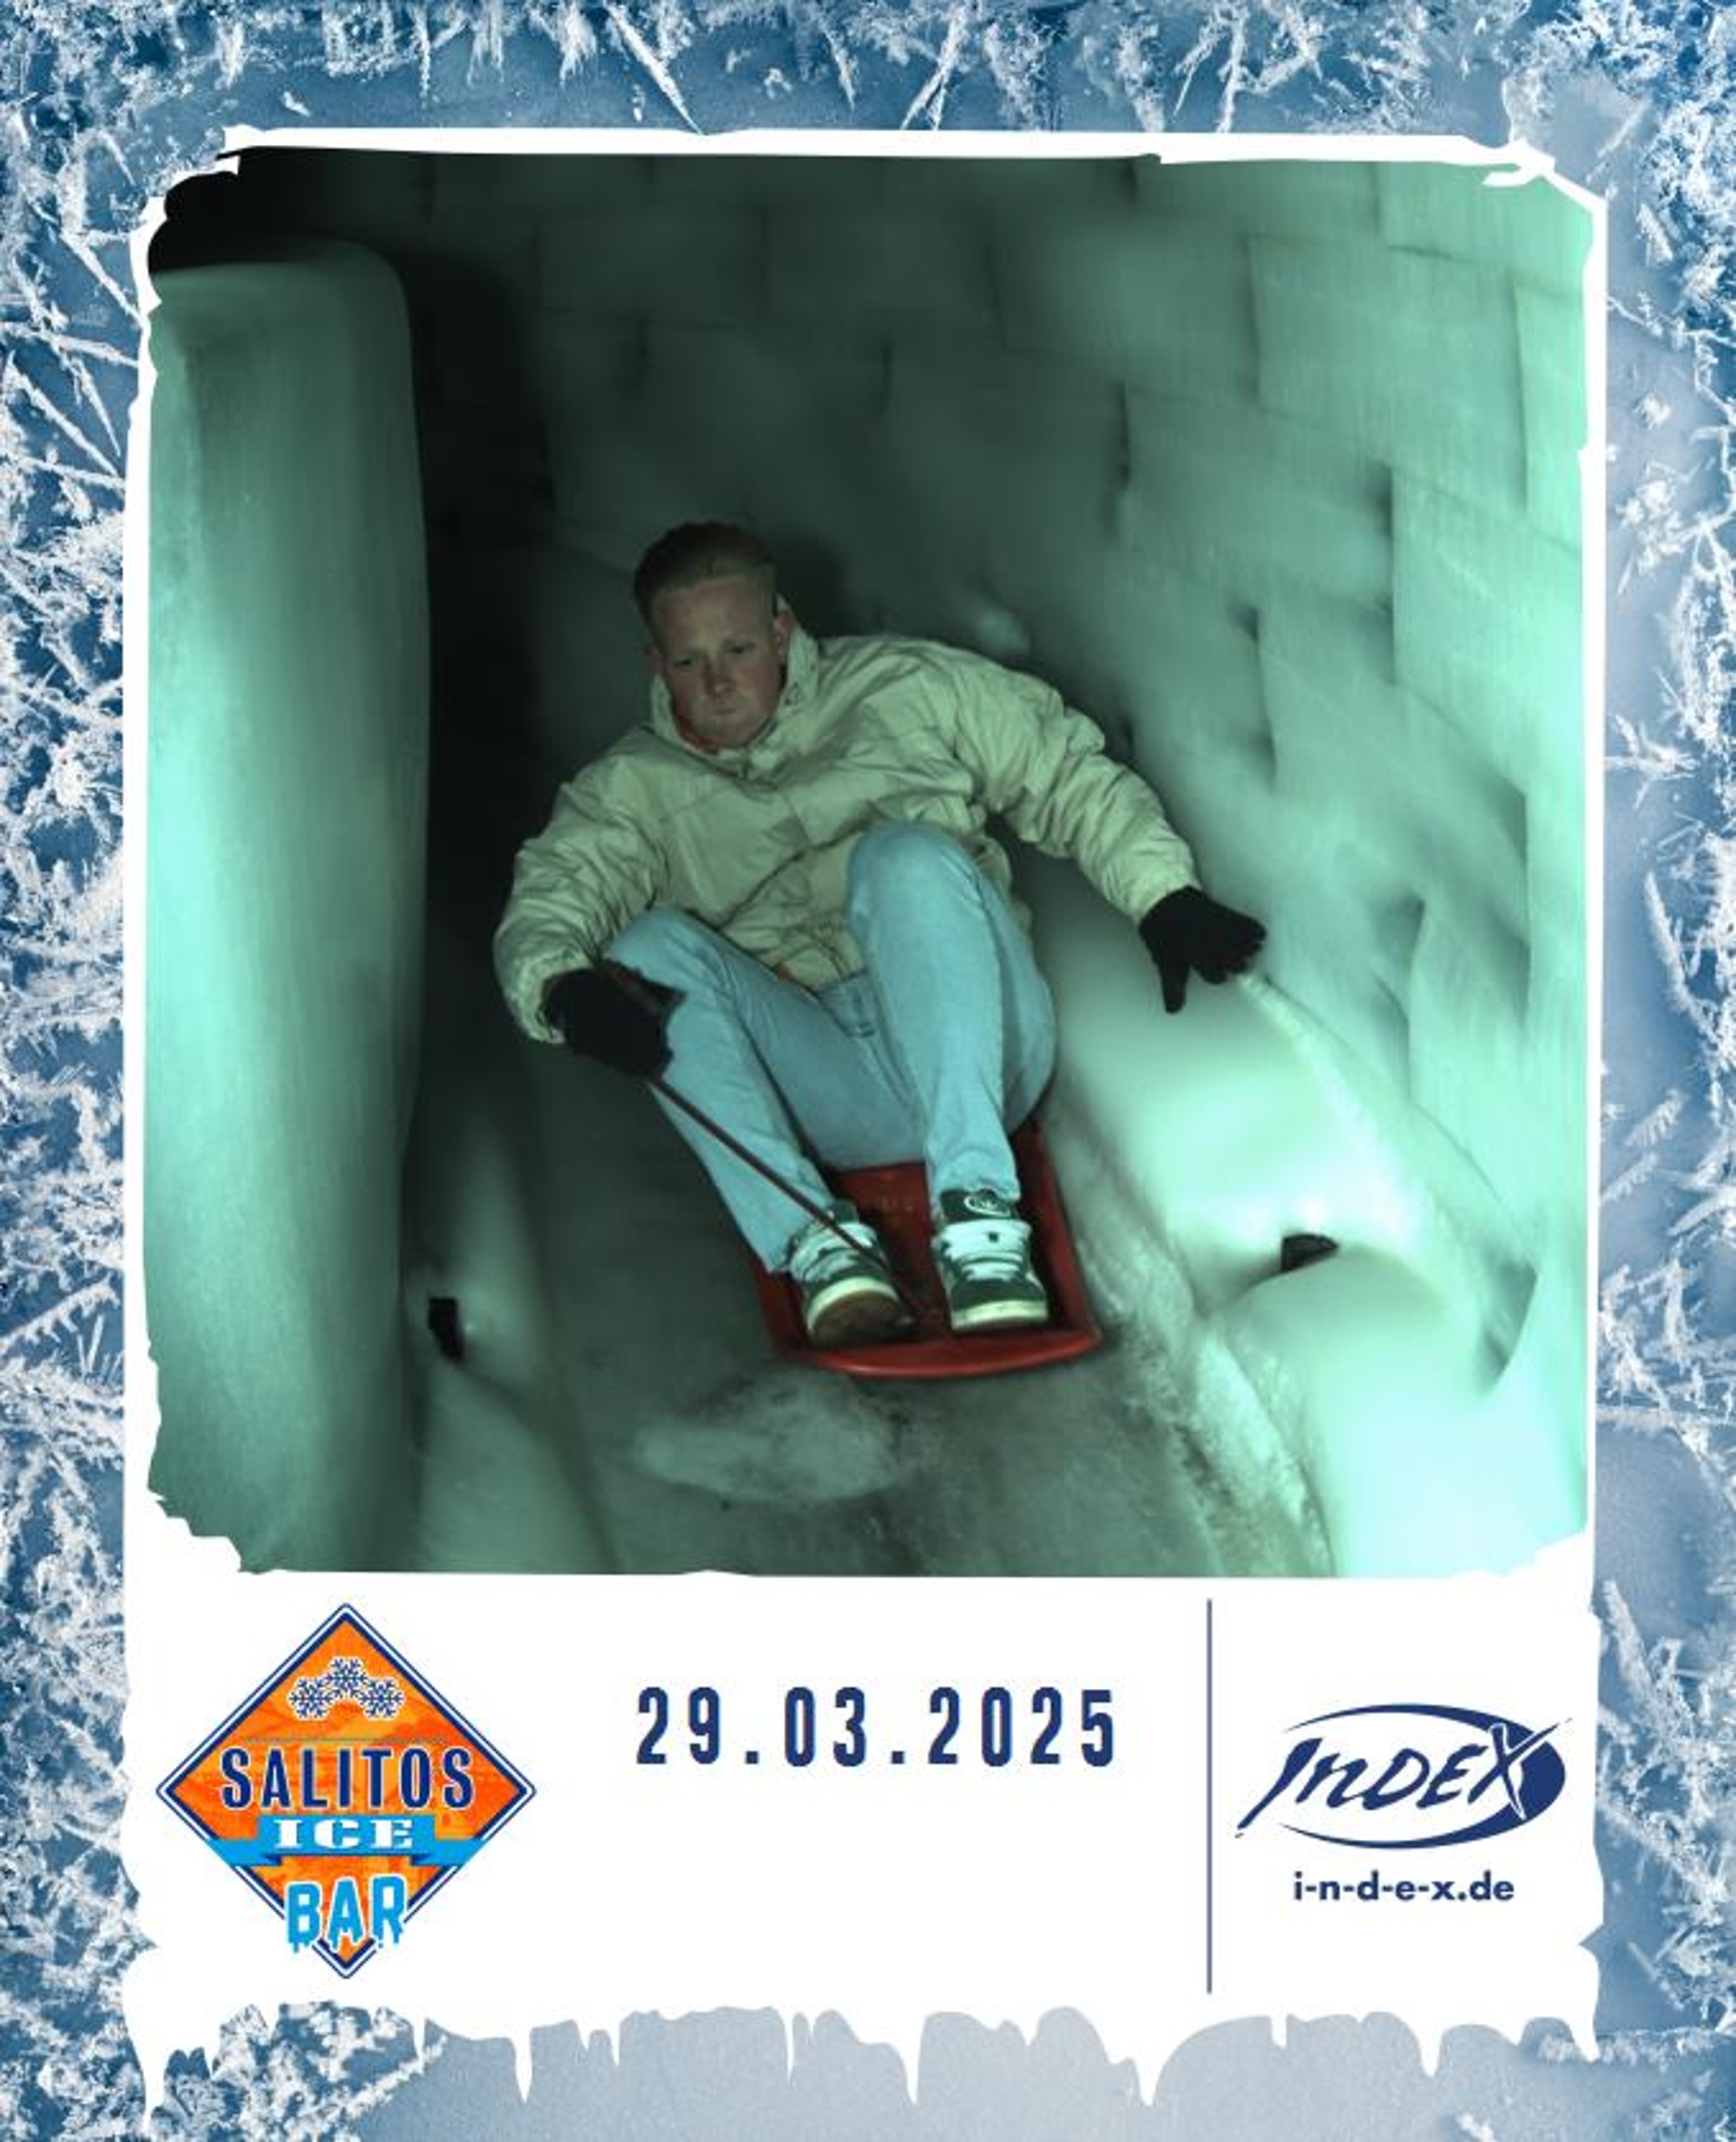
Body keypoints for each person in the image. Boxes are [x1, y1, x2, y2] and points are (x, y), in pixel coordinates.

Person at [494, 522, 1264, 1347]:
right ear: (656, 662)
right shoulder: (629, 790)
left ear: (781, 631)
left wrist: (1162, 894)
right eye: (689, 661)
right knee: (643, 952)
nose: (717, 683)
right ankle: (816, 1242)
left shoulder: (905, 687)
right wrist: (559, 988)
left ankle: (980, 1217)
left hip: (981, 1050)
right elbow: (552, 895)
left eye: (739, 649)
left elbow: (1061, 769)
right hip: (821, 1086)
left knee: (902, 857)